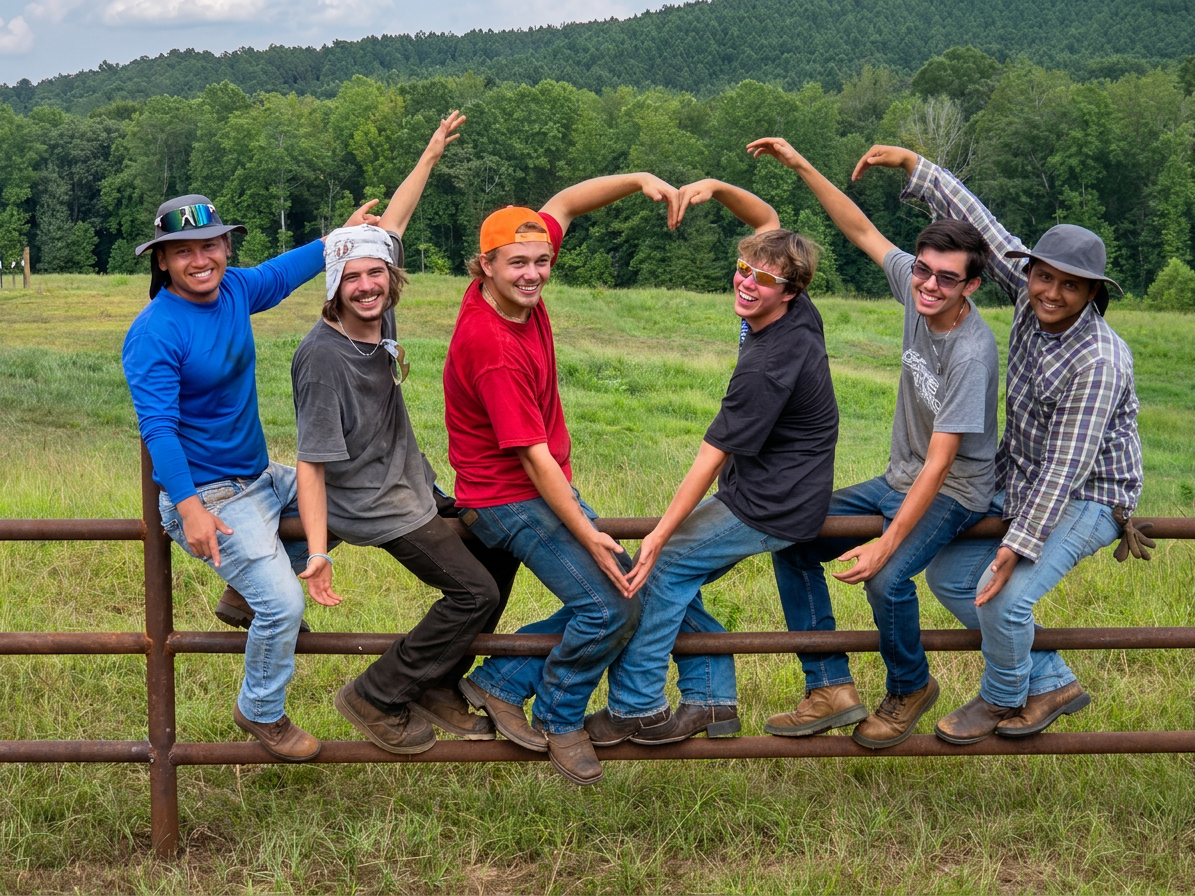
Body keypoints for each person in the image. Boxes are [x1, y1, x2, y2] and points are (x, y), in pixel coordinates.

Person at [851, 145, 1147, 743]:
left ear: (1093, 293)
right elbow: (985, 228)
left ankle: (1002, 697)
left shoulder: (1099, 360)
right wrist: (915, 167)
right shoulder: (1029, 297)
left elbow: (1066, 469)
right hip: (1025, 479)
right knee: (951, 577)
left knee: (1005, 600)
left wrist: (1016, 546)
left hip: (1090, 496)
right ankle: (1052, 680)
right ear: (1028, 273)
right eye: (1044, 276)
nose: (1052, 292)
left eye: (1071, 285)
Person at [746, 136, 1000, 748]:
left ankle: (910, 686)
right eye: (923, 270)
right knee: (794, 539)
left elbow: (941, 463)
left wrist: (886, 543)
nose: (928, 285)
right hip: (899, 478)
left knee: (887, 581)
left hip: (956, 490)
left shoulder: (972, 353)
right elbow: (860, 229)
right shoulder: (916, 290)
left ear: (971, 286)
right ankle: (829, 686)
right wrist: (801, 163)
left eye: (947, 279)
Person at [290, 114, 521, 755]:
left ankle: (439, 683)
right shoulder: (323, 358)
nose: (367, 286)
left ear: (391, 277)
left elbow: (393, 225)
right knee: (472, 591)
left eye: (376, 274)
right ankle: (377, 692)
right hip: (375, 503)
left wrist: (429, 154)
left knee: (502, 547)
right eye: (353, 278)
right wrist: (317, 551)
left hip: (412, 484)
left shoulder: (378, 310)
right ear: (334, 285)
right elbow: (311, 463)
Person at [582, 180, 841, 747]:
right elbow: (767, 217)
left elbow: (709, 456)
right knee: (680, 573)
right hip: (775, 486)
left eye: (763, 279)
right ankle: (712, 699)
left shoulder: (768, 365)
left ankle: (637, 707)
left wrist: (659, 536)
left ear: (790, 292)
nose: (747, 283)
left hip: (772, 501)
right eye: (744, 269)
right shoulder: (794, 311)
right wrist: (718, 189)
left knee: (665, 566)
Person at [123, 192, 379, 761]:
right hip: (210, 495)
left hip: (259, 476)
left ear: (226, 246)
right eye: (183, 251)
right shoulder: (155, 332)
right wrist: (189, 506)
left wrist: (338, 237)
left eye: (210, 245)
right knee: (284, 606)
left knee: (353, 493)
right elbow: (158, 429)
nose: (200, 260)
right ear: (162, 260)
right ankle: (261, 709)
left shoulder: (235, 290)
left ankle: (244, 593)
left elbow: (283, 274)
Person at [444, 173, 680, 785]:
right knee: (609, 606)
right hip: (506, 498)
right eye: (518, 264)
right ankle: (557, 717)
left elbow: (567, 203)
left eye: (541, 261)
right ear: (486, 265)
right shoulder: (492, 345)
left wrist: (639, 180)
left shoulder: (512, 286)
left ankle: (500, 682)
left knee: (624, 593)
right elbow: (533, 459)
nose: (533, 274)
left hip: (535, 487)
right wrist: (589, 531)